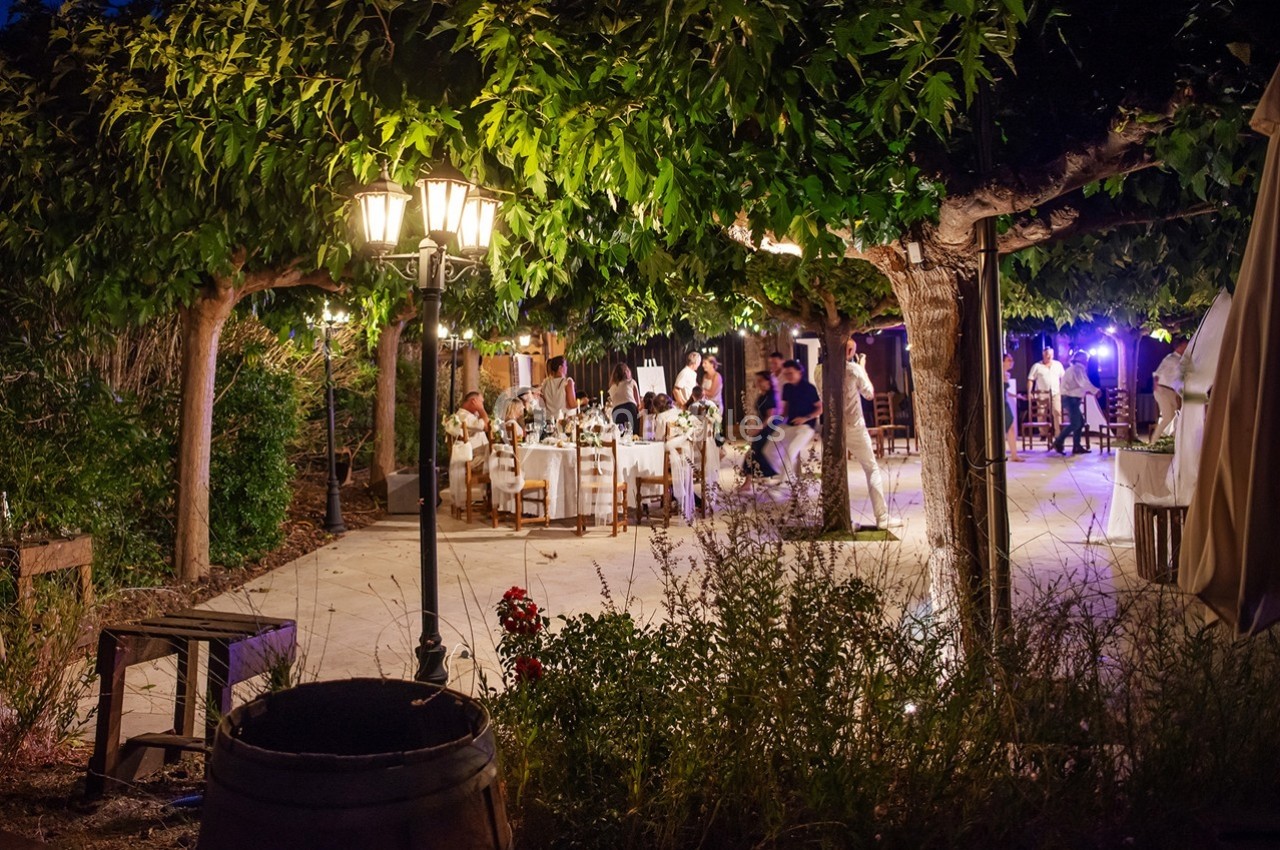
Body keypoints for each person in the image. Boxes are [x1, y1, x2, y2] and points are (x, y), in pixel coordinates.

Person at [845, 338, 901, 528]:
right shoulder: (854, 369)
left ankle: (843, 519)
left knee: (837, 471)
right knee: (871, 468)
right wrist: (862, 368)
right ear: (851, 352)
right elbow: (869, 393)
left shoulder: (819, 371)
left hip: (833, 427)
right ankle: (882, 517)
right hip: (854, 425)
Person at [779, 359, 822, 478]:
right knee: (770, 449)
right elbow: (786, 407)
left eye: (790, 373)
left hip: (806, 427)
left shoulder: (809, 388)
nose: (788, 376)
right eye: (786, 374)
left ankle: (786, 482)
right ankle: (781, 476)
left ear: (799, 372)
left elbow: (820, 408)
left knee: (790, 451)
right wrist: (779, 419)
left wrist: (805, 418)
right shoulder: (787, 387)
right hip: (790, 425)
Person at [1052, 351, 1101, 456]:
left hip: (1071, 398)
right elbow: (1083, 382)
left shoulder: (1074, 368)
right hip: (1070, 398)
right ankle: (1058, 442)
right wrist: (1095, 391)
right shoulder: (1077, 368)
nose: (1087, 361)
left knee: (1080, 422)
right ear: (1081, 359)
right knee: (1076, 423)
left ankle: (1076, 446)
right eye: (1085, 359)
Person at [743, 370, 782, 482]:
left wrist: (758, 428)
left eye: (760, 381)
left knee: (755, 452)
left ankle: (749, 481)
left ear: (768, 381)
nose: (758, 383)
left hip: (769, 429)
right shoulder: (762, 395)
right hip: (763, 426)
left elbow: (770, 416)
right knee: (754, 452)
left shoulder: (771, 396)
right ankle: (753, 479)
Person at [1151, 338, 1188, 443]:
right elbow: (1158, 373)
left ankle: (1170, 437)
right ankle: (1153, 441)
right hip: (1163, 389)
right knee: (1167, 417)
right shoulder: (1171, 359)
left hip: (1171, 391)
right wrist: (1156, 385)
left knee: (1173, 415)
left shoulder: (1180, 360)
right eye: (1185, 346)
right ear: (1180, 346)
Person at [1027, 347, 1065, 440]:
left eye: (1051, 355)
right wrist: (1029, 392)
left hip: (1055, 393)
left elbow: (1063, 378)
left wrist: (1064, 390)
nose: (1049, 357)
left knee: (1057, 412)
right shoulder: (1037, 366)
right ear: (1043, 355)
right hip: (1042, 394)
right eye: (1047, 355)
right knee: (1041, 413)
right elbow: (1030, 379)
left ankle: (1058, 434)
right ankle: (1043, 433)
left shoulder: (1058, 365)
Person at [455, 391, 491, 470]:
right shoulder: (465, 417)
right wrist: (481, 409)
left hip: (479, 456)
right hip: (475, 460)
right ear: (473, 401)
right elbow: (487, 426)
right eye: (481, 402)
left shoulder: (465, 415)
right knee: (505, 459)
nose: (482, 405)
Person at [539, 355, 577, 421]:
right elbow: (571, 405)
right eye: (565, 365)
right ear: (560, 367)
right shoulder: (567, 382)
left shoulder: (545, 383)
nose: (566, 367)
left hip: (550, 419)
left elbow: (543, 402)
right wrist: (582, 401)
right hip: (565, 420)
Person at [608, 362, 642, 432]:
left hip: (616, 411)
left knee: (620, 434)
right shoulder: (631, 382)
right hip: (630, 408)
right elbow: (638, 403)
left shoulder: (612, 387)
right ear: (627, 372)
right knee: (633, 433)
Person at [1004, 353, 1024, 462]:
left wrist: (1017, 396)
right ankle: (1013, 454)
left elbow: (1005, 391)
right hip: (1000, 403)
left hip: (1005, 402)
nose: (1011, 362)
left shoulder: (1007, 374)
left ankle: (1014, 454)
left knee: (1011, 427)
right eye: (1008, 360)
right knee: (1009, 428)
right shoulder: (1000, 374)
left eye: (1012, 360)